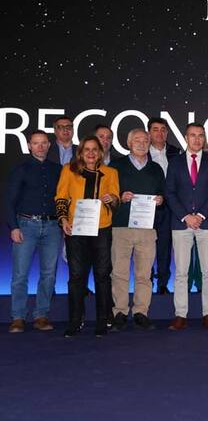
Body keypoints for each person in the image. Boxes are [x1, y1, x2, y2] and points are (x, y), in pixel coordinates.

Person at [55, 136, 120, 337]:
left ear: (100, 153)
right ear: (81, 153)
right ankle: (75, 321)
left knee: (102, 275)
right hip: (76, 229)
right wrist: (63, 220)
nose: (91, 153)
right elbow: (61, 197)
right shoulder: (69, 170)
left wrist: (112, 199)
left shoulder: (111, 172)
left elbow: (116, 200)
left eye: (94, 149)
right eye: (87, 149)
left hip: (102, 228)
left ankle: (103, 320)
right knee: (76, 276)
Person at [166, 123, 208, 331]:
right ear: (186, 138)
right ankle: (180, 314)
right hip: (181, 224)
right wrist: (185, 217)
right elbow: (170, 192)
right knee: (181, 272)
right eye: (193, 135)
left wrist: (199, 215)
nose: (197, 139)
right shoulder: (175, 162)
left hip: (206, 222)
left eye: (200, 135)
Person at [6, 130, 62, 333]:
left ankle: (41, 315)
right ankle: (18, 317)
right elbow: (9, 201)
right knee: (20, 274)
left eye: (43, 143)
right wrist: (14, 227)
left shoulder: (58, 170)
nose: (40, 146)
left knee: (49, 274)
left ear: (49, 145)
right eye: (36, 143)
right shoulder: (20, 169)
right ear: (29, 146)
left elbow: (64, 199)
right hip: (26, 225)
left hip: (52, 227)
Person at [109, 129, 165, 330]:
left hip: (147, 229)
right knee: (119, 272)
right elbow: (107, 195)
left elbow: (163, 193)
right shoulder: (116, 166)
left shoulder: (156, 168)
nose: (142, 143)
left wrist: (161, 199)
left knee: (144, 274)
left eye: (145, 140)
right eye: (137, 140)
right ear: (129, 143)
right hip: (121, 227)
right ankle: (120, 312)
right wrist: (119, 197)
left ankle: (141, 312)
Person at [147, 117, 183, 294]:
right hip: (147, 206)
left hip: (170, 207)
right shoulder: (142, 152)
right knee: (145, 247)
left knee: (165, 246)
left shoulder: (176, 152)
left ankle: (162, 283)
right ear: (149, 133)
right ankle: (146, 282)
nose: (160, 133)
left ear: (167, 133)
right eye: (155, 129)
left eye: (163, 130)